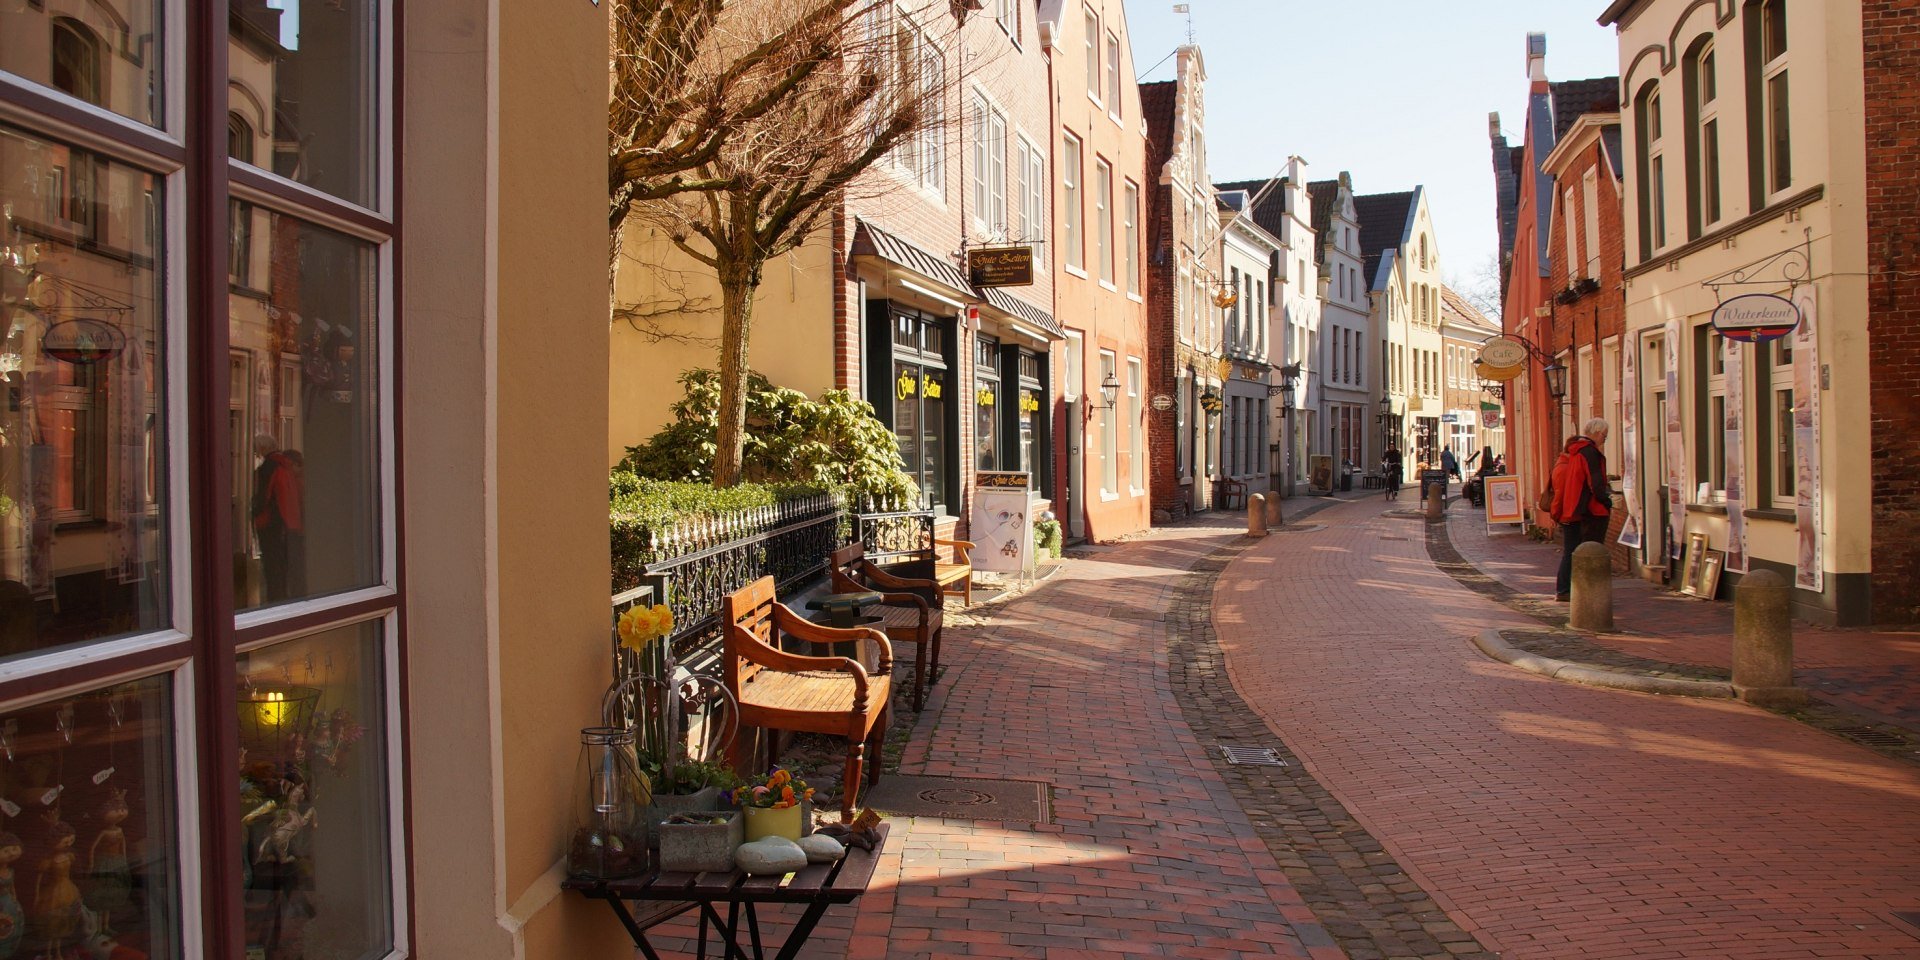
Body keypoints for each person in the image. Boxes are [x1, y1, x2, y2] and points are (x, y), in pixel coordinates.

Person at [1550, 418, 1612, 602]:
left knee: (1572, 551)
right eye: (1605, 436)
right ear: (1598, 433)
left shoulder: (1575, 452)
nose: (1604, 440)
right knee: (1587, 551)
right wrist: (1605, 500)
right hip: (1585, 510)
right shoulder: (1589, 453)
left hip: (1572, 509)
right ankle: (1584, 591)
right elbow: (1595, 481)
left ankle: (1565, 589)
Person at [252, 434, 306, 602]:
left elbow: (263, 497)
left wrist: (253, 514)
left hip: (271, 523)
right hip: (290, 524)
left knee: (273, 569)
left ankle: (275, 602)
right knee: (285, 568)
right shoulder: (287, 467)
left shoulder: (268, 468)